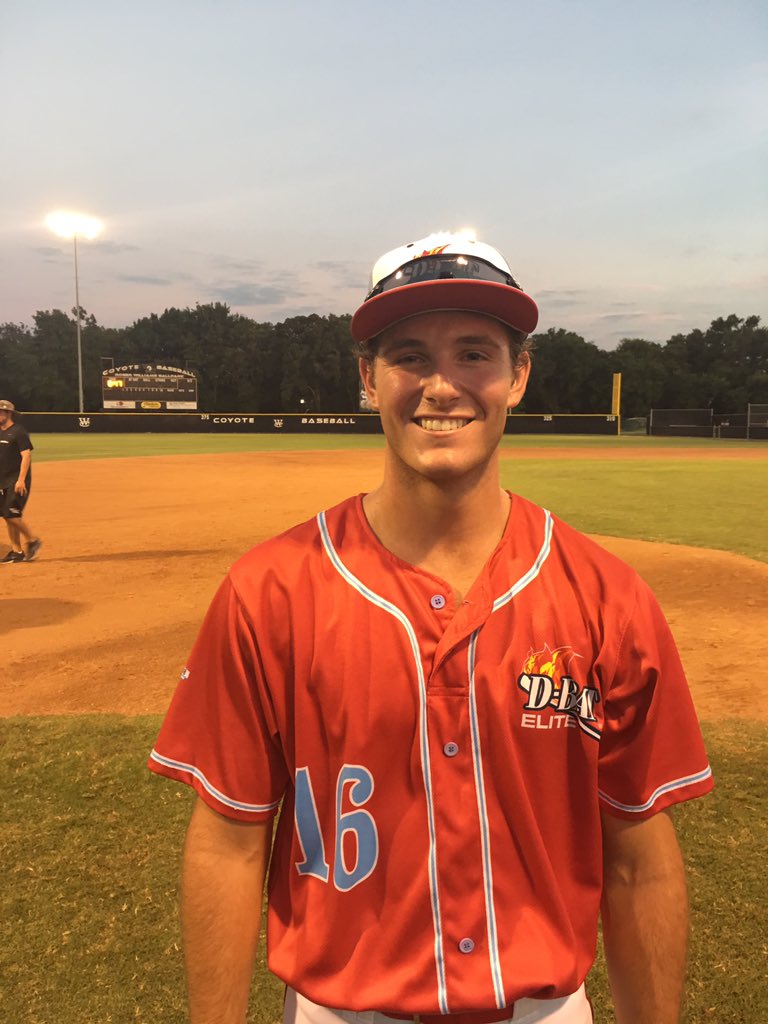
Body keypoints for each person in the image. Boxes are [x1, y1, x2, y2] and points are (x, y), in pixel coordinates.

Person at [149, 232, 713, 1024]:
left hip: (543, 1010)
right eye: (410, 355)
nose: (441, 385)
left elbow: (639, 864)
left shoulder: (607, 598)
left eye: (475, 353)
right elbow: (228, 843)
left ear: (519, 375)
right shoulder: (269, 591)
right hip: (338, 1010)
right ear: (366, 379)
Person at [0, 399, 42, 563]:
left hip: (16, 479)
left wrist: (21, 480)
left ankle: (33, 540)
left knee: (11, 513)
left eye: (1, 412)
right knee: (6, 515)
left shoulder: (19, 432)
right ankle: (16, 551)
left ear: (8, 413)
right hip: (2, 479)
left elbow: (26, 456)